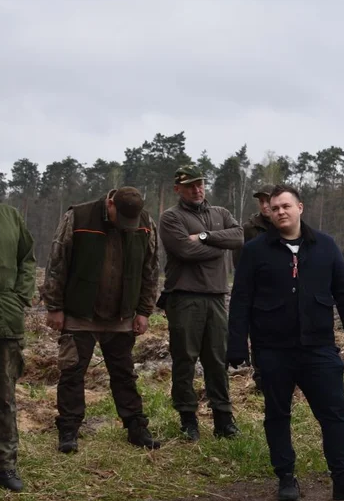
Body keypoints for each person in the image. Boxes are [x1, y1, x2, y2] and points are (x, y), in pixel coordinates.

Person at [227, 185, 344, 501]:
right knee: (277, 415)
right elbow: (241, 300)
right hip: (272, 349)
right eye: (274, 207)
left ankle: (342, 480)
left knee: (334, 414)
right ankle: (286, 478)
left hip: (318, 348)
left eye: (286, 206)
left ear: (300, 208)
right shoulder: (256, 250)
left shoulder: (324, 246)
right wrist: (237, 345)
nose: (280, 211)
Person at [41, 187, 161, 453]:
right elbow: (57, 261)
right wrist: (54, 306)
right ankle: (69, 430)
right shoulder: (78, 217)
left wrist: (144, 310)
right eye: (121, 218)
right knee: (72, 373)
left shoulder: (145, 222)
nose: (126, 225)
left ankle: (135, 428)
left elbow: (150, 268)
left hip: (122, 315)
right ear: (110, 204)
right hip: (80, 312)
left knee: (125, 374)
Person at [158, 166, 244, 441]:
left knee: (217, 361)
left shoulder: (221, 213)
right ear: (178, 189)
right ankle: (188, 419)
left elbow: (239, 237)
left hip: (217, 298)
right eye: (191, 186)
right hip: (184, 298)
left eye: (201, 184)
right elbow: (185, 250)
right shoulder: (171, 218)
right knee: (185, 360)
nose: (197, 190)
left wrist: (206, 237)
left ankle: (223, 420)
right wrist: (221, 246)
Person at [0, 153, 35, 492]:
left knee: (3, 397)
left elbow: (28, 261)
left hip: (4, 320)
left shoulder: (11, 217)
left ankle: (4, 467)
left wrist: (19, 298)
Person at [236, 185, 274, 395]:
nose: (265, 205)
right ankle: (261, 383)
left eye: (268, 200)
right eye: (261, 201)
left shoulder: (289, 226)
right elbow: (240, 264)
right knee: (260, 339)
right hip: (259, 296)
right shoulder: (249, 229)